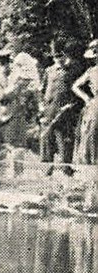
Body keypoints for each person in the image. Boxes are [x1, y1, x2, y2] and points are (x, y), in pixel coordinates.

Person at [40, 42, 80, 175]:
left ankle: (66, 170)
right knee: (46, 141)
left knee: (64, 143)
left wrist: (71, 106)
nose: (58, 59)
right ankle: (47, 170)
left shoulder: (74, 70)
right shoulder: (49, 71)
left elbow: (79, 92)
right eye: (56, 56)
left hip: (66, 113)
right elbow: (43, 90)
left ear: (66, 55)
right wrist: (41, 107)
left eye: (61, 56)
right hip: (49, 112)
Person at [74, 39, 98, 168]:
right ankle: (92, 166)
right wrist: (86, 98)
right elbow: (75, 86)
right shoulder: (91, 71)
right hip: (96, 105)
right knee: (91, 133)